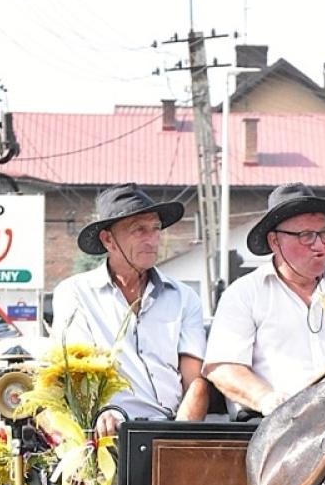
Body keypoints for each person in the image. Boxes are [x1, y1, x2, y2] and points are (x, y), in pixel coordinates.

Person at [204, 183, 325, 415]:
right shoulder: (244, 294)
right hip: (273, 425)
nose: (320, 246)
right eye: (306, 236)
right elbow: (223, 368)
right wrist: (267, 399)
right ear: (275, 241)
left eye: (324, 234)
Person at [50, 184, 210, 434]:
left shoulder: (184, 297)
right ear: (108, 239)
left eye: (156, 229)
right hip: (108, 430)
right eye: (139, 230)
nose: (152, 239)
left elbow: (195, 381)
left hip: (172, 427)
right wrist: (104, 416)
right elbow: (79, 371)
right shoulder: (75, 293)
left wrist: (181, 437)